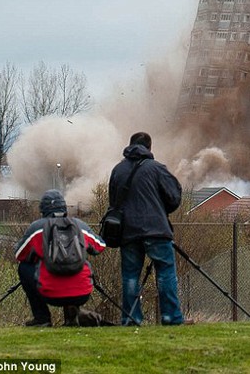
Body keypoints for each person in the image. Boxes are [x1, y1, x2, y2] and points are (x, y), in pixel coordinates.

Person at [108, 131, 186, 325]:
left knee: (130, 276)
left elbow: (113, 202)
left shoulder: (118, 170)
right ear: (149, 148)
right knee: (166, 272)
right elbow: (174, 196)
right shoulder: (157, 169)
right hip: (156, 230)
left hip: (128, 232)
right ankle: (170, 317)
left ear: (130, 145)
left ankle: (131, 318)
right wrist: (160, 210)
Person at [15, 188, 106, 327]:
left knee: (24, 267)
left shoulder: (37, 228)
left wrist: (40, 255)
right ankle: (71, 317)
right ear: (64, 208)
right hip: (82, 292)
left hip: (49, 293)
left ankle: (42, 318)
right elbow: (100, 246)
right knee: (82, 262)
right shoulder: (79, 225)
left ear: (43, 210)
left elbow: (19, 255)